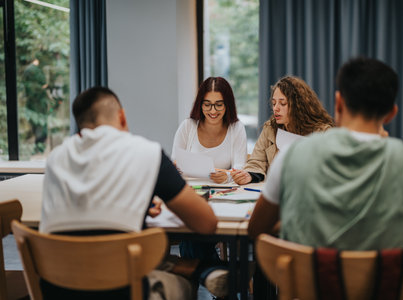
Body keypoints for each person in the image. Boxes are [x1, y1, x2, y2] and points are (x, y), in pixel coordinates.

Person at [39, 86, 220, 300]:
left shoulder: (55, 158)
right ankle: (202, 270)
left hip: (57, 290)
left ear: (80, 127)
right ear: (122, 117)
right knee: (181, 281)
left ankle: (198, 268)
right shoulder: (146, 152)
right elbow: (207, 224)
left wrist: (141, 206)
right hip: (124, 292)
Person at [248, 57, 403, 250]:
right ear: (392, 113)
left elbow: (257, 228)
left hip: (313, 278)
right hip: (384, 277)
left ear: (338, 102)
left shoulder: (291, 156)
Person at [231, 75, 334, 185]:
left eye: (283, 103)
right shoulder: (270, 128)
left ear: (299, 105)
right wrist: (249, 175)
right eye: (274, 103)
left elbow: (330, 172)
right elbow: (256, 161)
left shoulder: (323, 132)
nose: (276, 108)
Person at [172, 76, 247, 184]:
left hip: (222, 191)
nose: (213, 111)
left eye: (219, 105)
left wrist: (227, 176)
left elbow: (240, 168)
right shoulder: (188, 126)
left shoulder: (236, 128)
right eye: (207, 104)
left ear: (228, 105)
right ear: (200, 104)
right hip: (190, 190)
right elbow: (174, 162)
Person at [23, 56, 50, 153]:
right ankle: (39, 147)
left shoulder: (27, 71)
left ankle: (38, 146)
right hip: (38, 103)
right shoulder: (35, 71)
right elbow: (41, 85)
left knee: (36, 124)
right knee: (40, 124)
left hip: (33, 103)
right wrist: (43, 88)